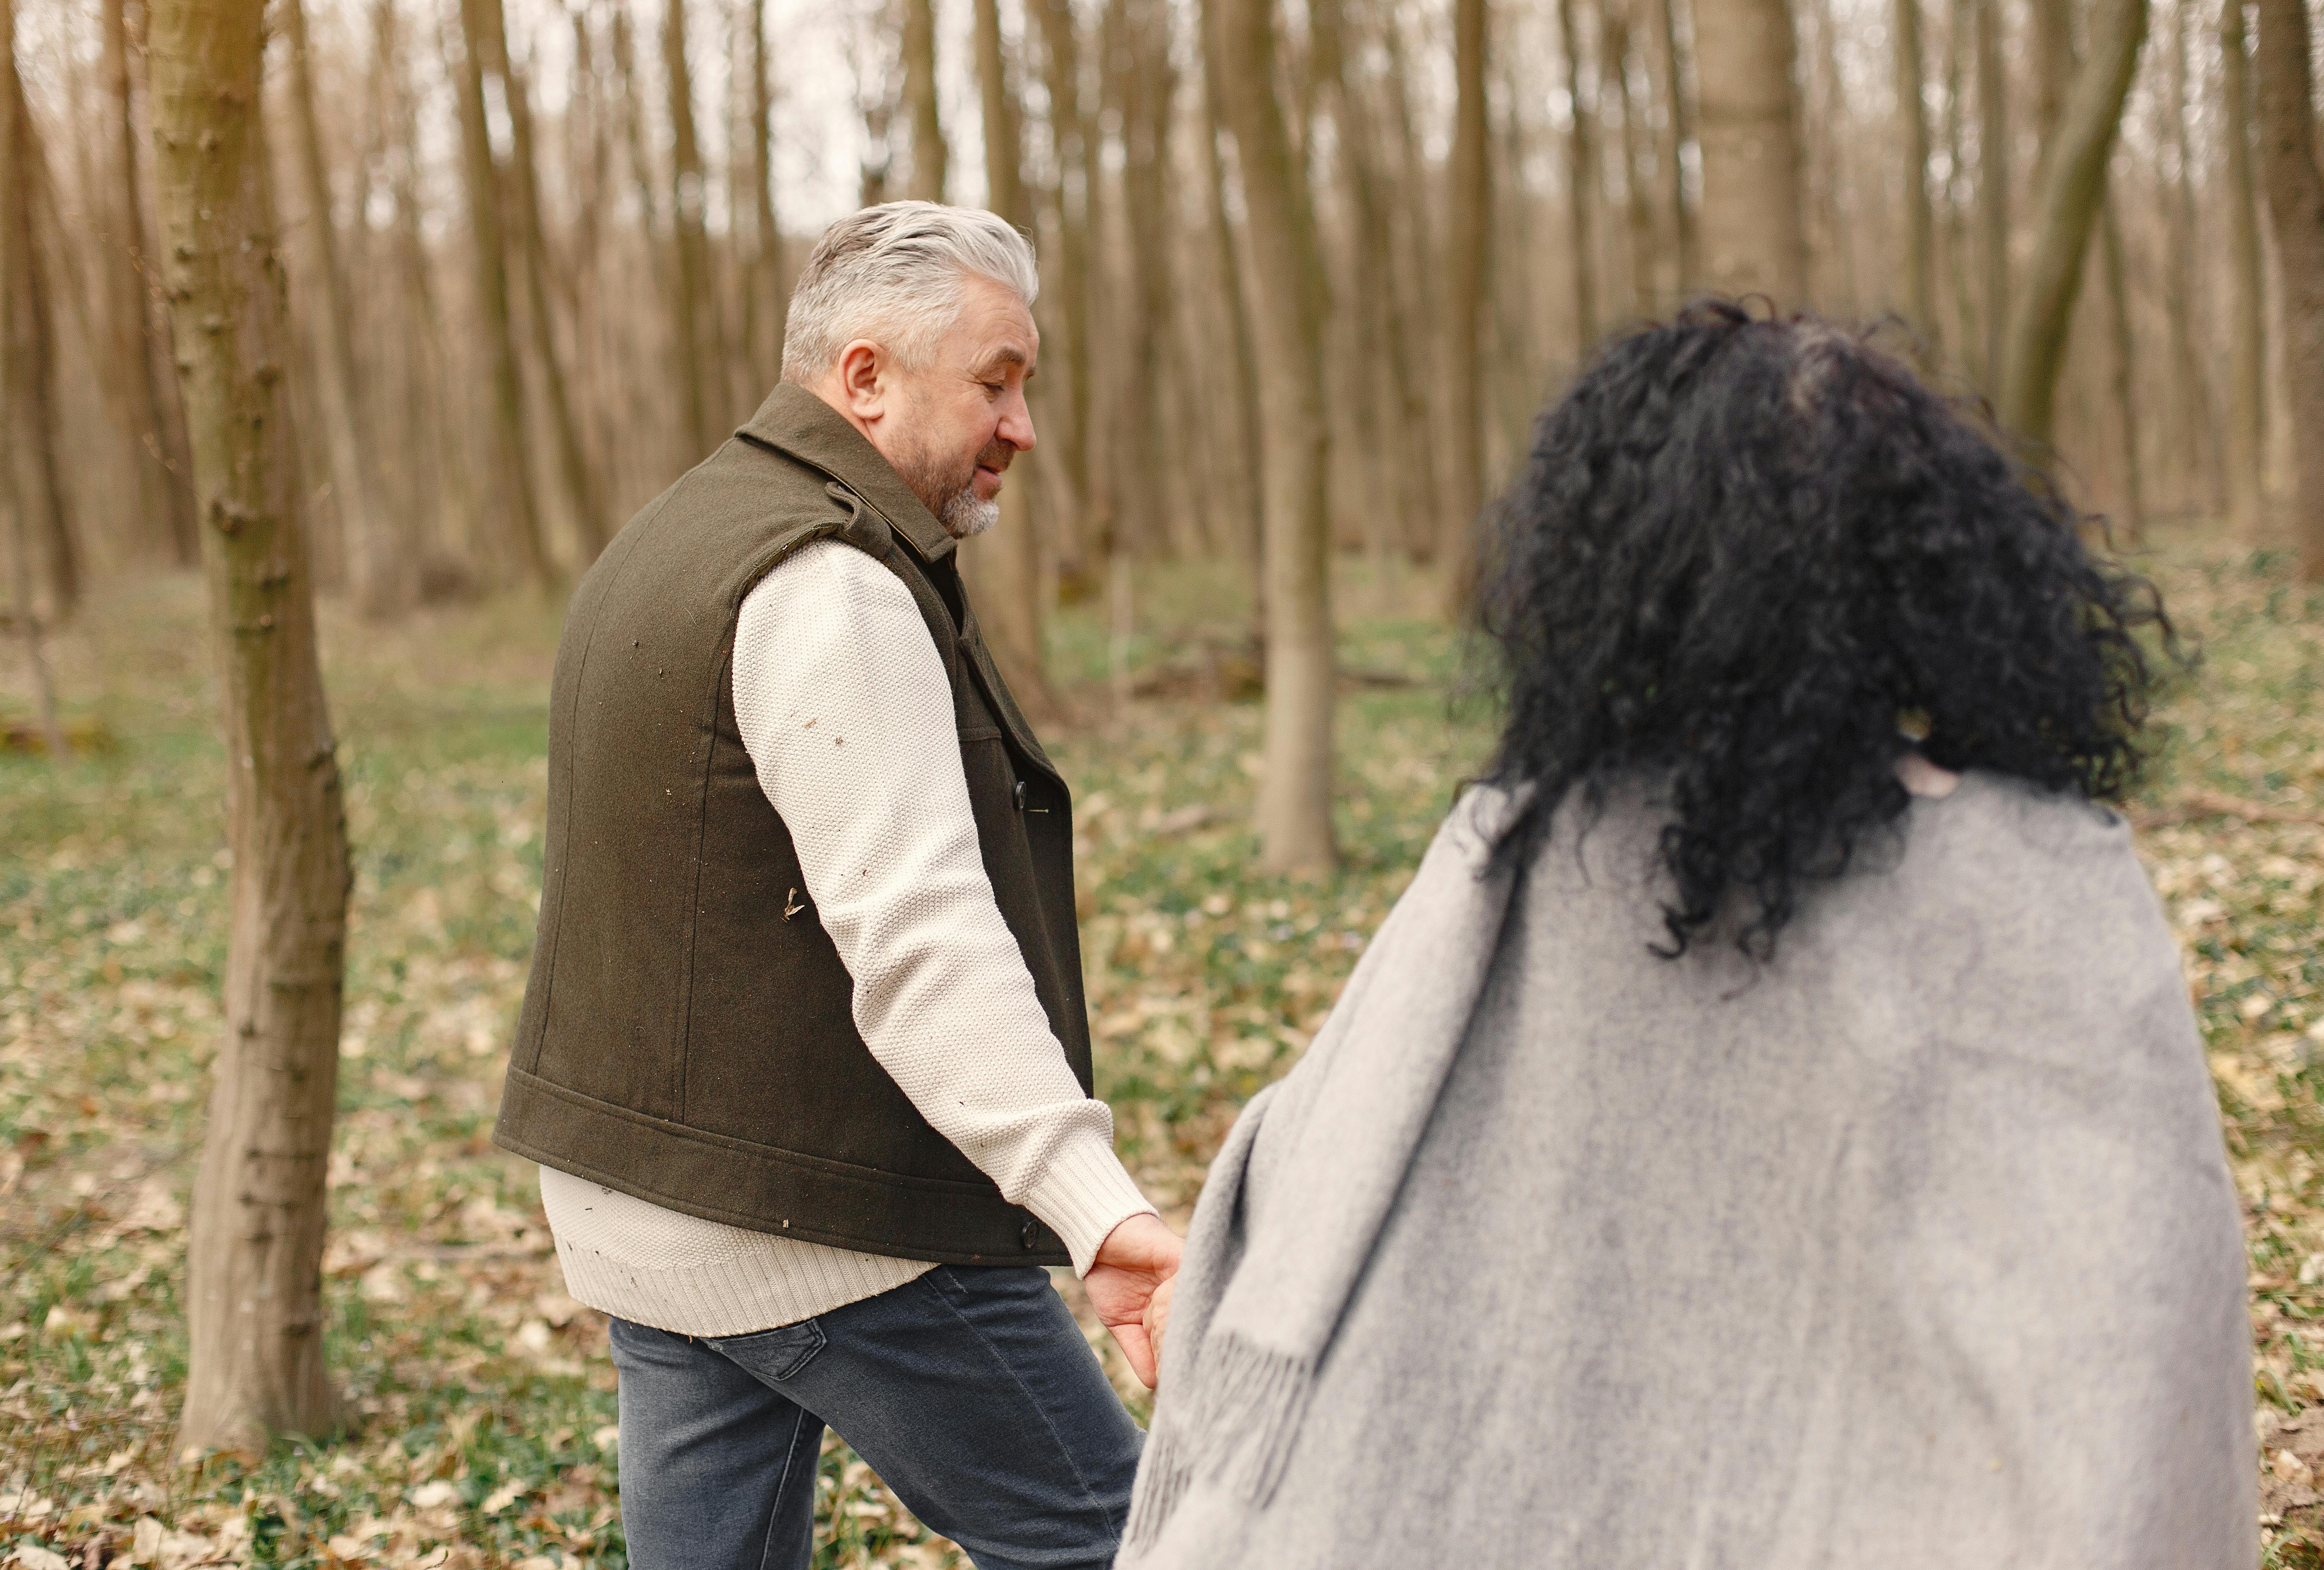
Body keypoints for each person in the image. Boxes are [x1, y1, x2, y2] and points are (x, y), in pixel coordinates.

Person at [1120, 303, 2256, 1568]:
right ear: (1941, 571)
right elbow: (2145, 1331)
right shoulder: (2047, 878)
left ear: (1611, 582)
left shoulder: (1519, 856)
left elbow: (1301, 1195)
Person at [495, 201, 1183, 1570]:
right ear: (865, 376)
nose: (1022, 427)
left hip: (647, 1201)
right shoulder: (825, 587)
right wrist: (1095, 1206)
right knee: (1122, 1540)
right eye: (996, 380)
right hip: (828, 1226)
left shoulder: (678, 530)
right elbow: (919, 933)